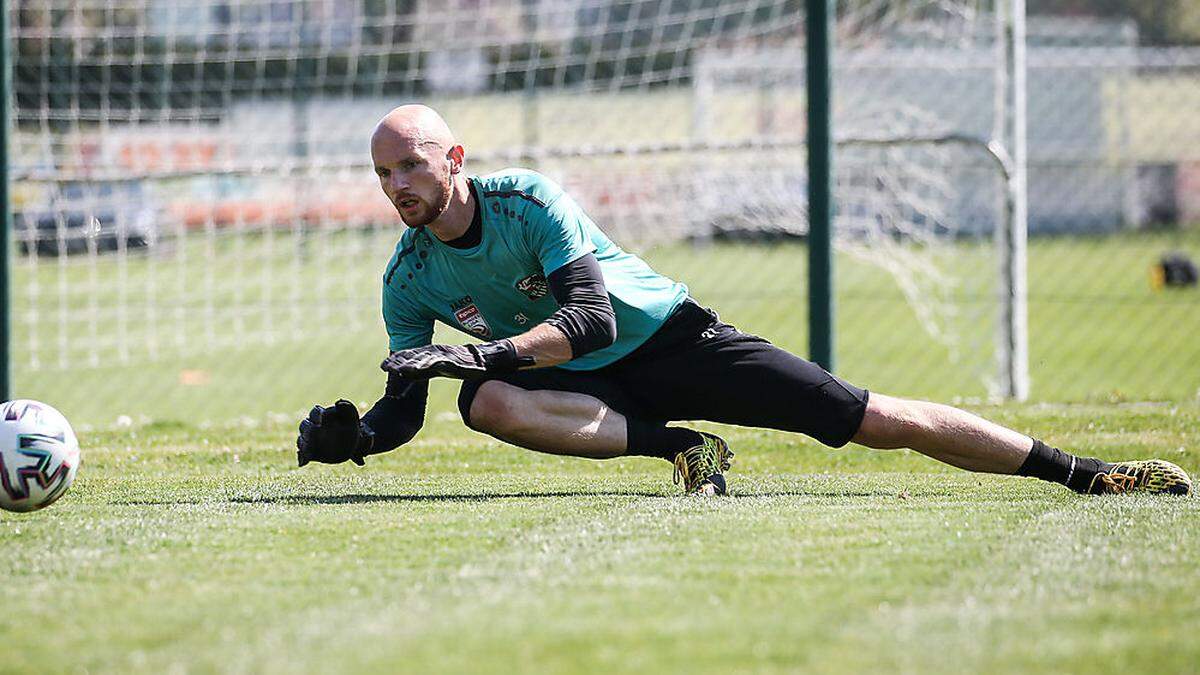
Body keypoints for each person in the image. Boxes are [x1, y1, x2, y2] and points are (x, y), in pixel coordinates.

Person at [296, 104, 1192, 498]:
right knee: (479, 404)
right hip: (604, 397)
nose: (398, 183)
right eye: (383, 172)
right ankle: (683, 450)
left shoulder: (526, 200)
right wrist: (362, 437)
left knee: (872, 418)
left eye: (412, 162)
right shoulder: (408, 276)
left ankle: (1085, 472)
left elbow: (591, 320)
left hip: (677, 342)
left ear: (454, 159)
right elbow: (409, 400)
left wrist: (483, 351)